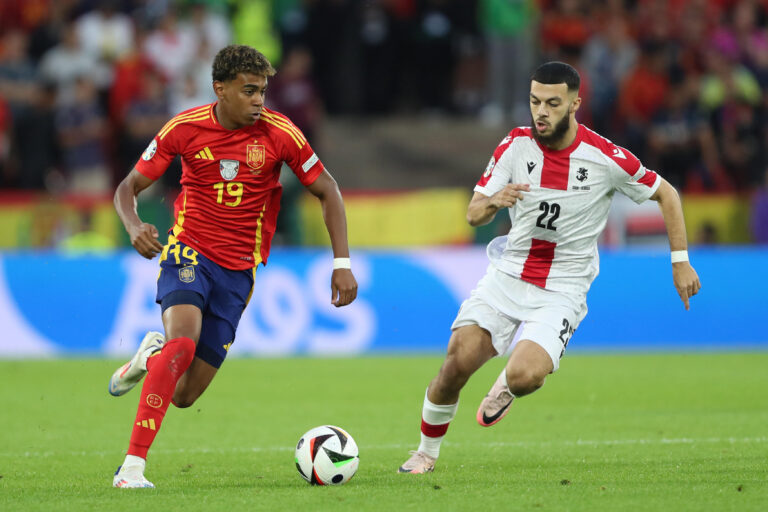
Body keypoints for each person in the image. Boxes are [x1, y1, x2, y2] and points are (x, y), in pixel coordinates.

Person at [398, 61, 701, 474]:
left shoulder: (605, 158)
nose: (541, 111)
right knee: (457, 360)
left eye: (553, 103)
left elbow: (667, 194)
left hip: (563, 287)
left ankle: (506, 385)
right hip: (509, 274)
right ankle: (424, 454)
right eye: (535, 101)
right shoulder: (514, 146)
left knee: (525, 376)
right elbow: (474, 214)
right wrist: (494, 200)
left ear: (575, 103)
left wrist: (679, 262)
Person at [109, 45, 358, 488]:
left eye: (263, 91)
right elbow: (129, 186)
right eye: (249, 91)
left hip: (239, 271)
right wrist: (133, 225)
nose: (259, 100)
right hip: (187, 252)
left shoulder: (281, 134)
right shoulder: (183, 128)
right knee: (183, 345)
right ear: (219, 89)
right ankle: (131, 468)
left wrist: (341, 262)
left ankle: (151, 356)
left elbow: (329, 190)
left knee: (184, 395)